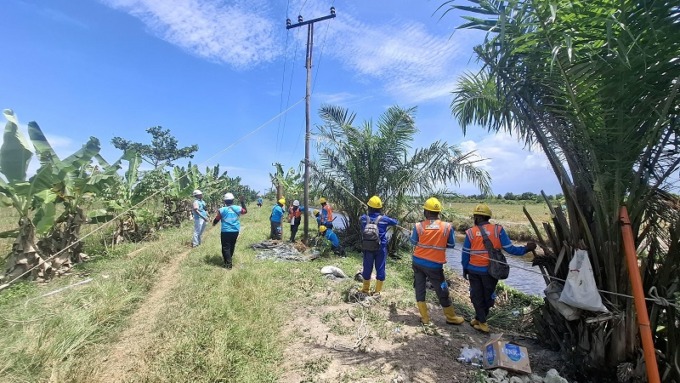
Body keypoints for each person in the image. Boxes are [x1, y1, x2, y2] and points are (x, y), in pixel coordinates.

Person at [462, 203, 537, 333]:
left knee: (476, 295)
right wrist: (526, 249)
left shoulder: (470, 232)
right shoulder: (498, 230)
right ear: (488, 217)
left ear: (476, 218)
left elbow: (465, 254)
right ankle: (480, 318)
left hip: (474, 270)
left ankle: (482, 322)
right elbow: (511, 249)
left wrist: (465, 269)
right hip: (492, 271)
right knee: (488, 295)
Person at [411, 197, 465, 326]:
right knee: (442, 289)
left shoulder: (418, 226)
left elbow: (413, 242)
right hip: (434, 266)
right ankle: (451, 317)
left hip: (418, 263)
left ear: (426, 212)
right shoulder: (447, 227)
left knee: (420, 288)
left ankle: (425, 318)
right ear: (438, 212)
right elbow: (452, 244)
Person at [358, 196, 398, 297]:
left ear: (369, 207)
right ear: (380, 208)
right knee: (380, 268)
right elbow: (395, 222)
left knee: (367, 267)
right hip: (381, 249)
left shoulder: (363, 219)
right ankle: (377, 292)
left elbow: (360, 220)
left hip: (367, 248)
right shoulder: (384, 219)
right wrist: (383, 216)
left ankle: (365, 289)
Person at [212, 193, 247, 269]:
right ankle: (229, 259)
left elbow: (218, 218)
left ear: (225, 201)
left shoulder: (222, 210)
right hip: (235, 230)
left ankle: (228, 264)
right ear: (233, 200)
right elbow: (245, 211)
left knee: (225, 247)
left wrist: (214, 223)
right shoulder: (238, 208)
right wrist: (242, 202)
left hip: (225, 231)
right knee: (232, 245)